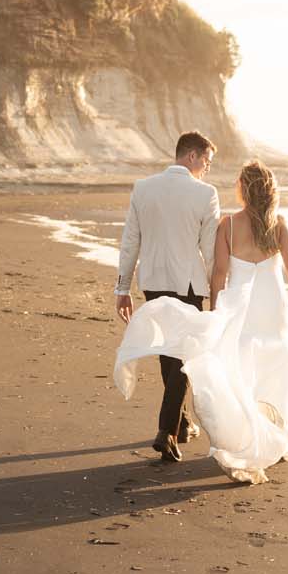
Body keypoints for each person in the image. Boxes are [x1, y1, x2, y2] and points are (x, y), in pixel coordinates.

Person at [115, 159, 288, 484]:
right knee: (276, 367)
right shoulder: (278, 224)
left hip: (239, 307)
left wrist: (217, 312)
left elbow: (219, 274)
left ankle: (247, 433)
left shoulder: (229, 226)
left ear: (243, 189)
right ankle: (274, 434)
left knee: (240, 369)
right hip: (274, 306)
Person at [114, 131, 221, 462]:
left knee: (168, 355)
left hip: (153, 282)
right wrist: (218, 293)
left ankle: (182, 421)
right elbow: (211, 251)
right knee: (183, 358)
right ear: (191, 156)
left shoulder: (143, 188)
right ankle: (167, 430)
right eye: (206, 161)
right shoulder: (205, 193)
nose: (207, 168)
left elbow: (130, 240)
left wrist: (122, 288)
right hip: (188, 285)